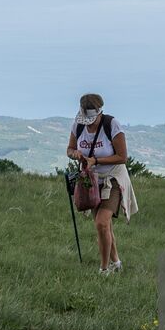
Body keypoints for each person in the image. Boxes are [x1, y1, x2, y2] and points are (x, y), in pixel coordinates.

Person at [65, 93, 138, 274]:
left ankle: (104, 269)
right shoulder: (78, 125)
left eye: (92, 119)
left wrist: (95, 161)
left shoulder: (111, 125)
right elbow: (70, 149)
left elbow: (122, 157)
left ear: (100, 112)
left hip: (112, 178)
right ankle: (116, 264)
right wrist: (76, 155)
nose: (88, 122)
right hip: (91, 181)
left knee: (101, 223)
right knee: (105, 226)